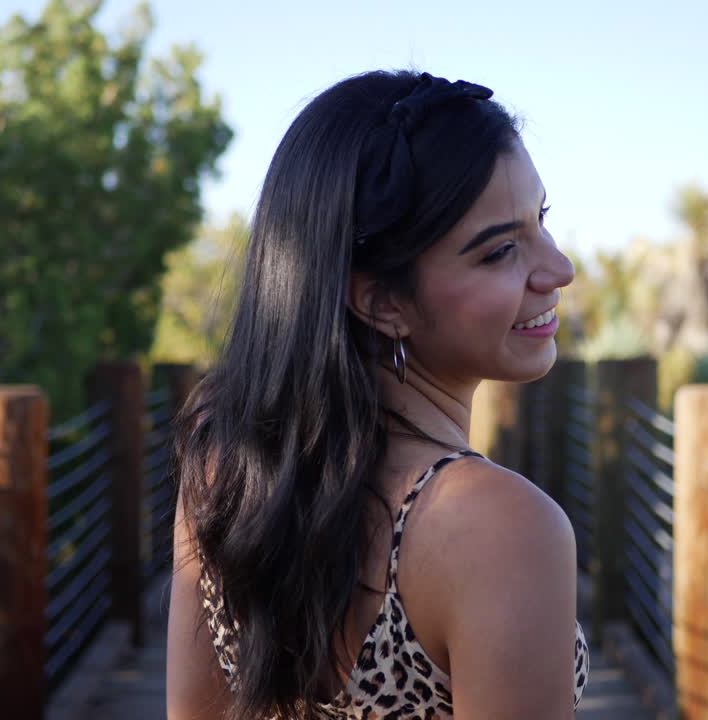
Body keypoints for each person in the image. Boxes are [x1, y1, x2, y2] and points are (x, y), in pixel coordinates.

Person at [167, 69, 585, 720]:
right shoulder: (501, 526)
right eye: (501, 250)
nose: (559, 269)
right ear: (381, 300)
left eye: (542, 220)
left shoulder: (227, 456)